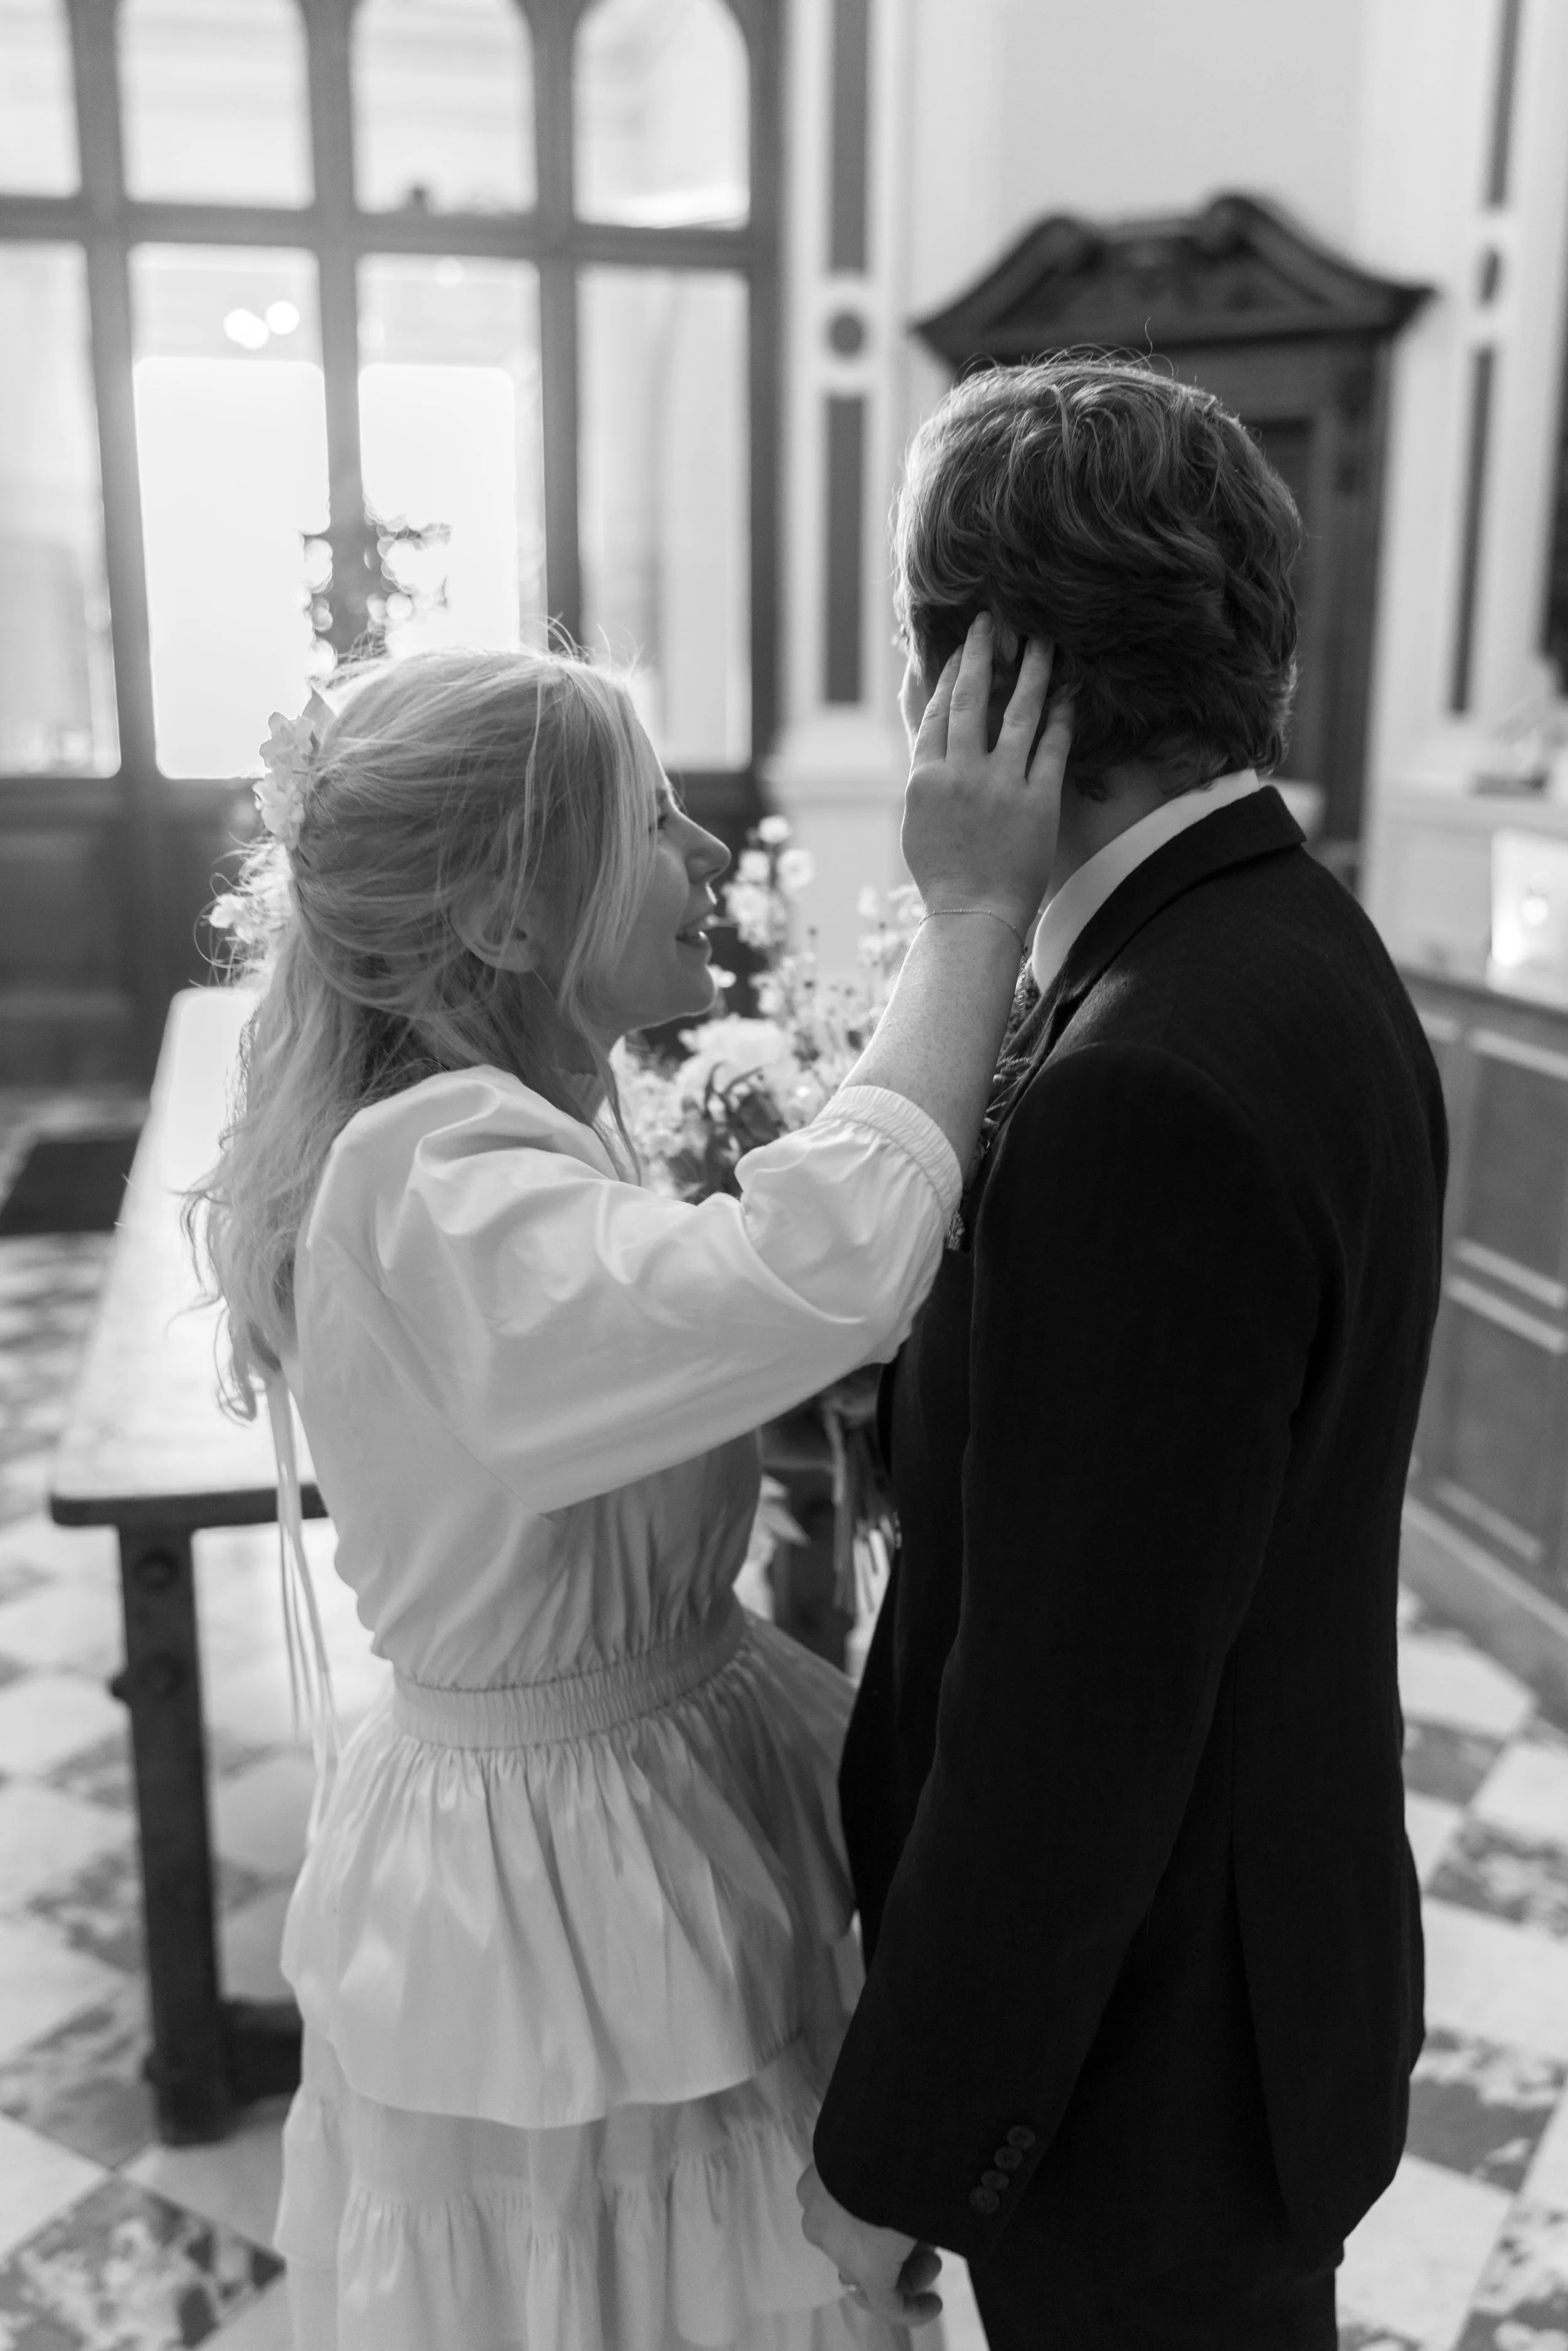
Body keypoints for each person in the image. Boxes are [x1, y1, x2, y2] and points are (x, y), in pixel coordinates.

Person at [188, 634, 1069, 2351]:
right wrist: (972, 919)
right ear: (510, 923)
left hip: (651, 1767)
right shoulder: (421, 1173)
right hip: (546, 1874)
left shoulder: (495, 1125)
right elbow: (805, 1273)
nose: (710, 856)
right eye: (653, 821)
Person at [800, 358, 1447, 2350]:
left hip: (1142, 2074)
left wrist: (897, 2154)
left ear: (982, 676)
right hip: (1250, 1982)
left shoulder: (1141, 1073)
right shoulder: (1287, 944)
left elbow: (1064, 1730)